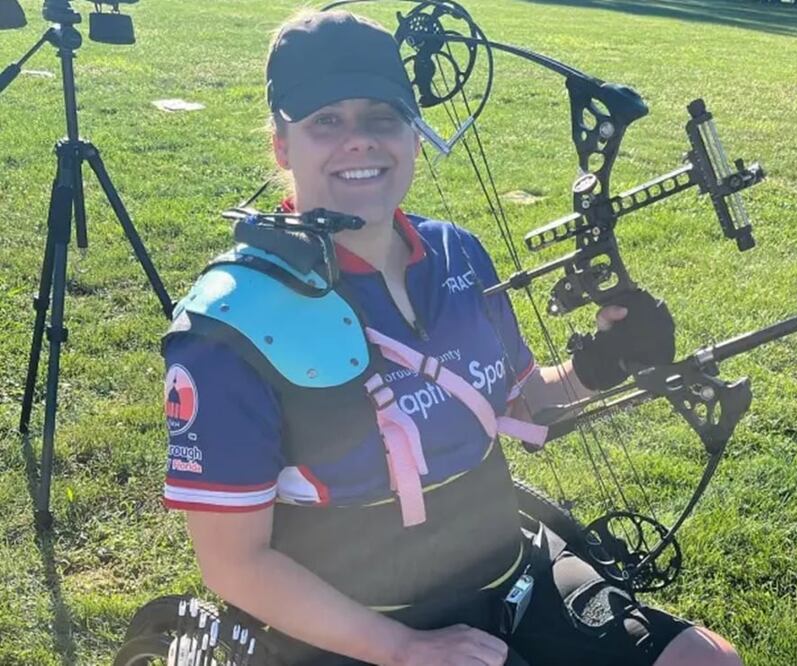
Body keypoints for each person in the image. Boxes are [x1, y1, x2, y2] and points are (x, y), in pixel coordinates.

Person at [161, 9, 742, 666]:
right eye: (326, 120)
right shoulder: (231, 324)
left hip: (510, 570)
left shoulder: (455, 253)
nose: (359, 141)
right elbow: (235, 565)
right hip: (359, 620)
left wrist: (600, 365)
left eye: (382, 117)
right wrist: (404, 648)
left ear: (413, 134)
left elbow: (516, 405)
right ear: (282, 147)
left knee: (706, 661)